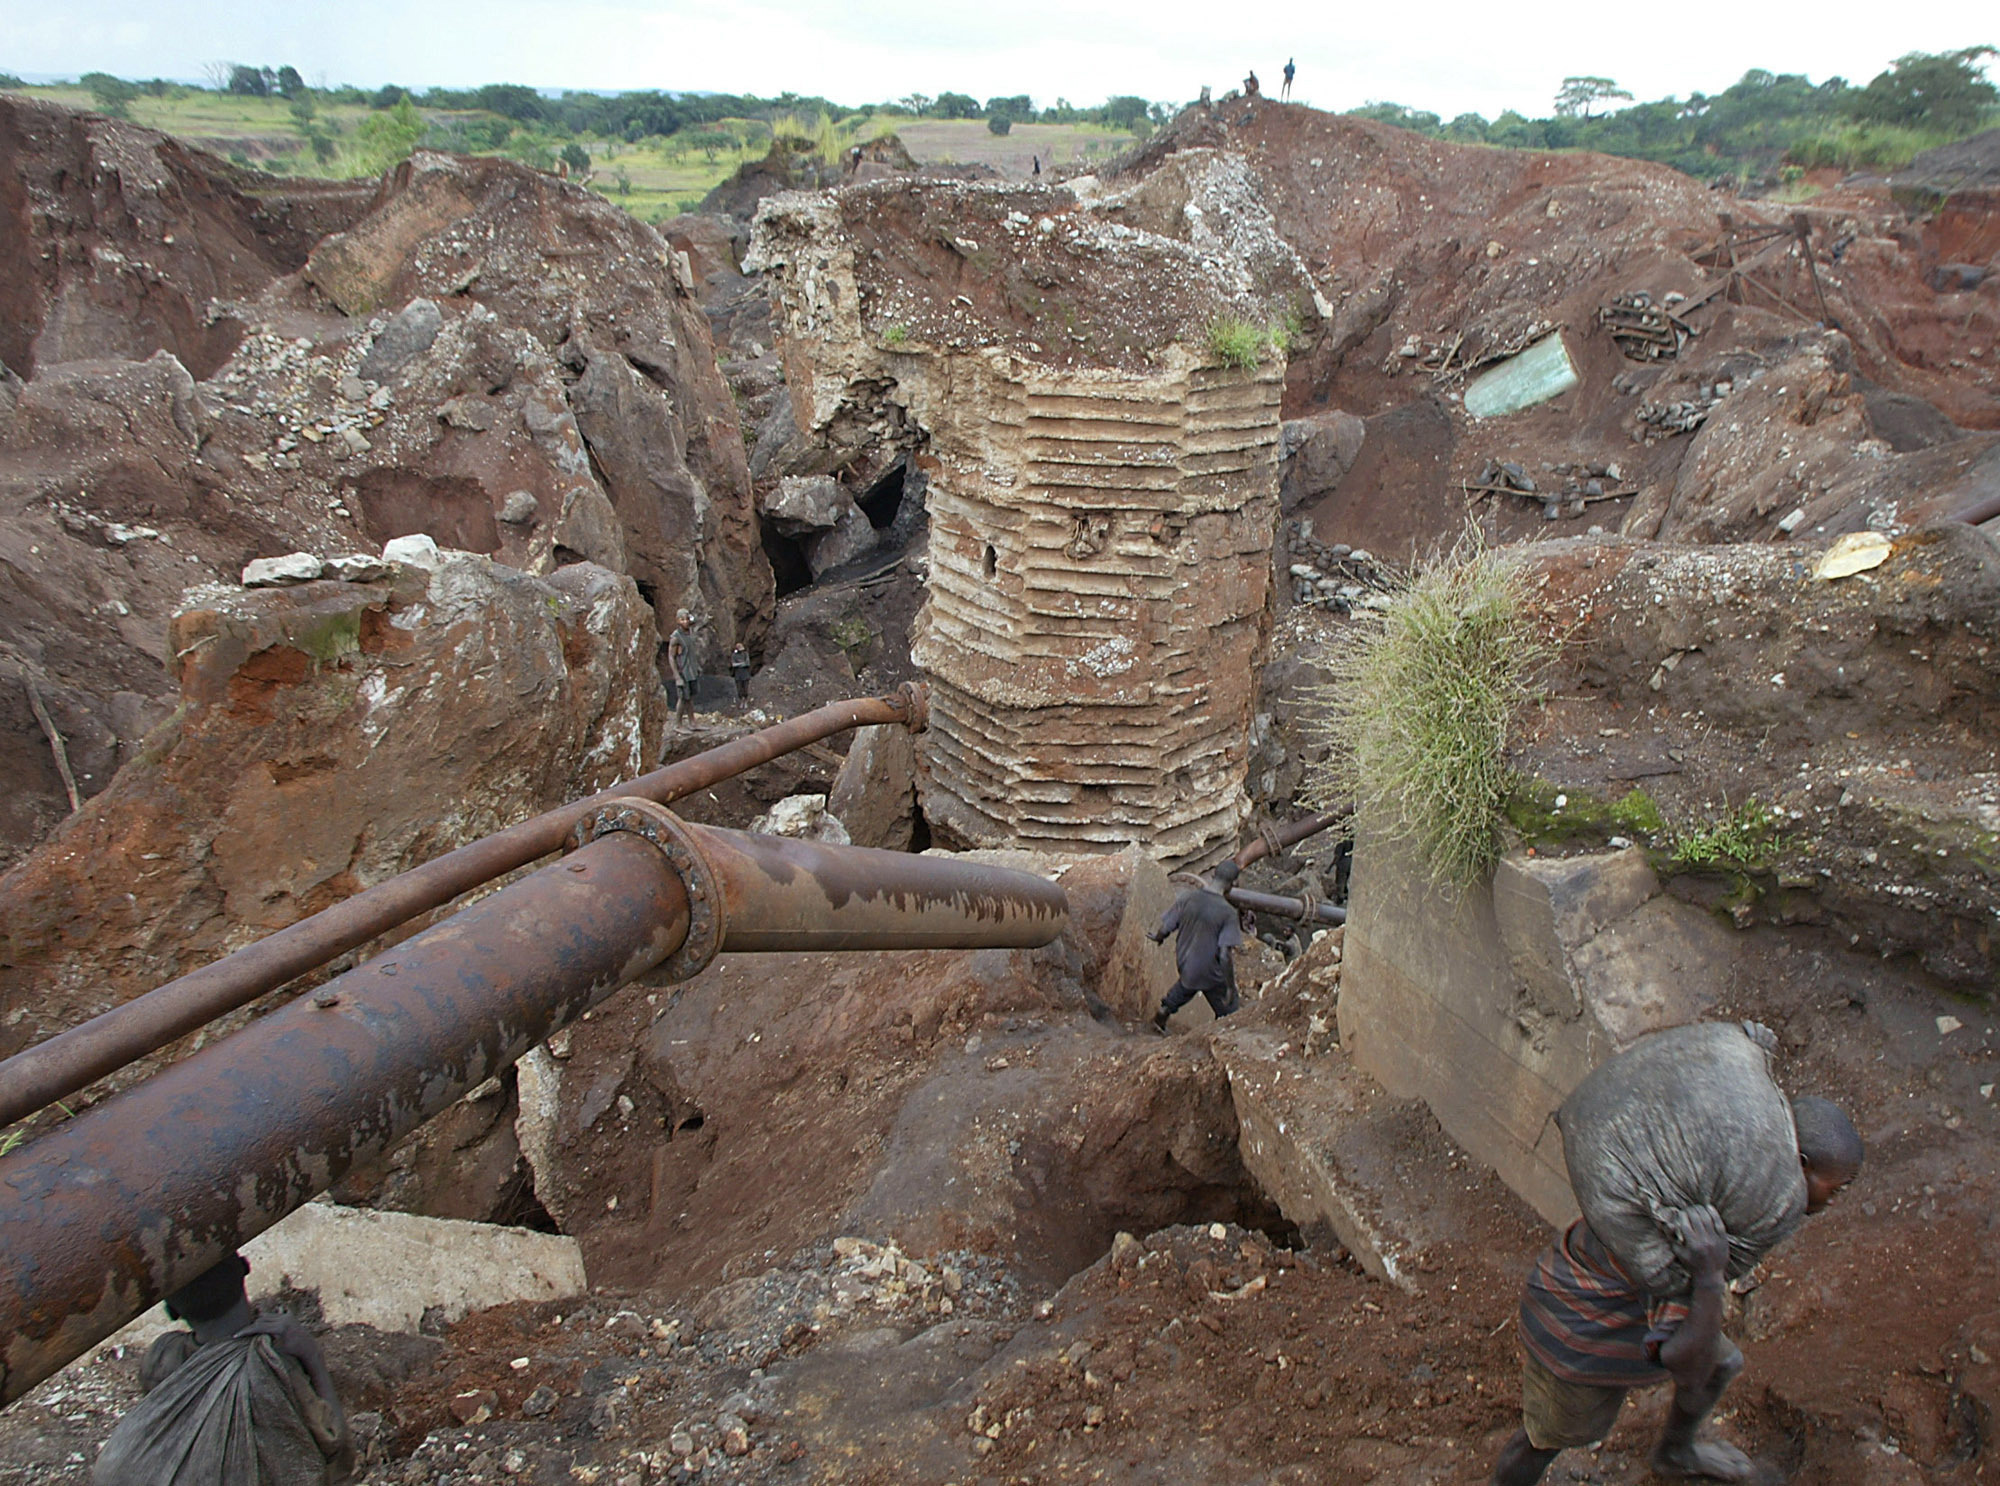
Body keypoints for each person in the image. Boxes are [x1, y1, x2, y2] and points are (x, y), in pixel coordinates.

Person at [1490, 1095, 1863, 1485]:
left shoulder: (1744, 1165)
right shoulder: (1695, 1227)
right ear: (1801, 1164)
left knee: (1722, 1363)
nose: (1835, 1200)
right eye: (1835, 1188)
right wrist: (1709, 1275)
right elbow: (1684, 1359)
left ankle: (1676, 1451)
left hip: (1629, 1300)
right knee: (1548, 1437)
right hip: (1576, 1323)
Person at [94, 1253, 355, 1484]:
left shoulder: (163, 1356)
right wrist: (312, 1355)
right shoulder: (273, 1365)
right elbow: (337, 1450)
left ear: (172, 1311)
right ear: (245, 1268)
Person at [1146, 859, 1244, 1032]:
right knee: (1229, 1010)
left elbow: (1167, 926)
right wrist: (1230, 986)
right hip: (1211, 973)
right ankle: (1221, 1033)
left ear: (1213, 874)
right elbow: (1224, 955)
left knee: (1182, 991)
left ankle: (1160, 1018)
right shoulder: (1228, 913)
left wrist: (1158, 937)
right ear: (1233, 883)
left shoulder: (1188, 897)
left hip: (1186, 964)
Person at [667, 610, 699, 728]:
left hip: (691, 671)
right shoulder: (676, 637)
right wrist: (677, 676)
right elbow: (671, 657)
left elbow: (695, 622)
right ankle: (678, 724)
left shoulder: (689, 633)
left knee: (689, 697)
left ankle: (692, 722)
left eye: (686, 619)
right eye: (682, 619)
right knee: (682, 698)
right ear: (677, 621)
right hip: (683, 671)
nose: (685, 622)